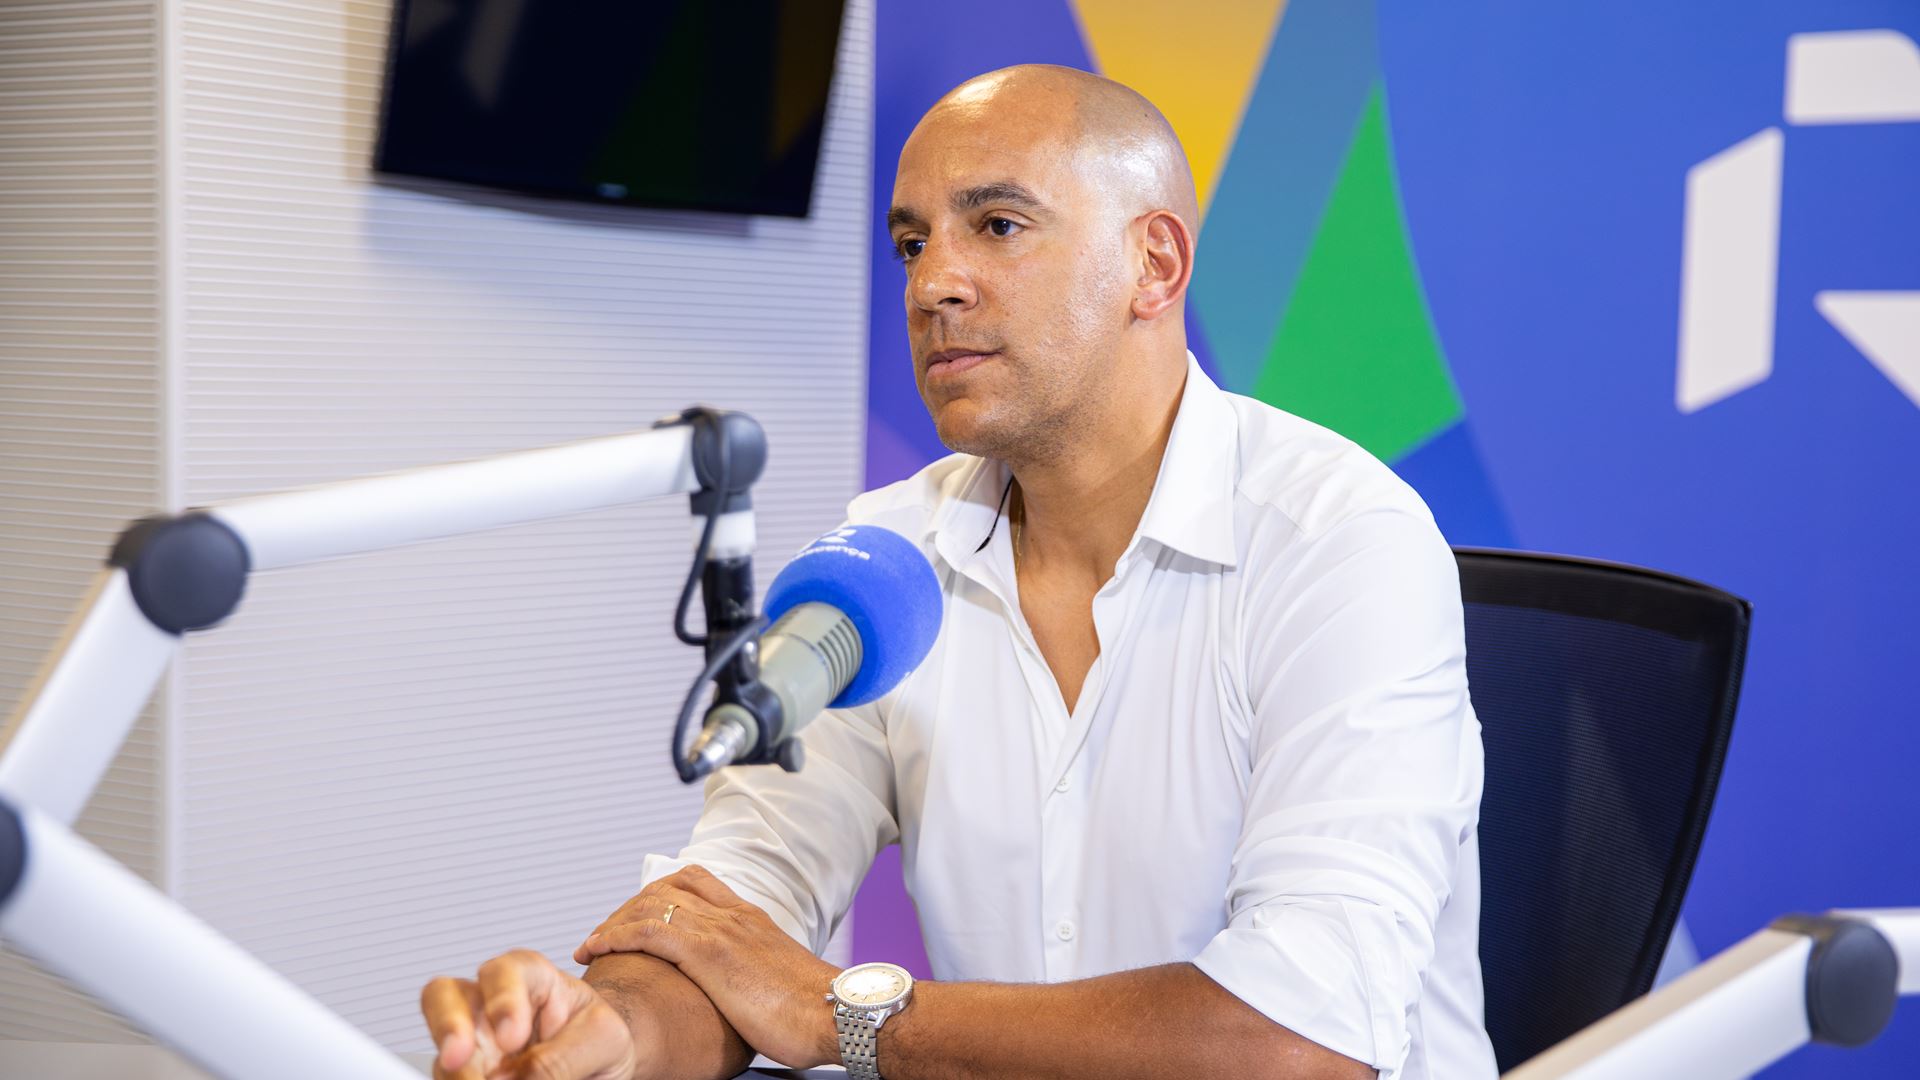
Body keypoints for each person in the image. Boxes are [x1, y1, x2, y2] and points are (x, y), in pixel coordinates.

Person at [420, 65, 1496, 1080]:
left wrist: (842, 1014)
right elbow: (732, 914)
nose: (933, 283)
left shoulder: (1341, 542)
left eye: (999, 226)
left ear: (1155, 265)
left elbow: (1301, 1038)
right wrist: (607, 1032)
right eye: (911, 243)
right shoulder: (882, 564)